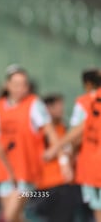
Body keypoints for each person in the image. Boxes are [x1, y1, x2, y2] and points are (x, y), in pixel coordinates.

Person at [0, 65, 71, 222]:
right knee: (16, 217)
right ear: (7, 85)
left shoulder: (34, 104)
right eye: (16, 84)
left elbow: (50, 132)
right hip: (4, 171)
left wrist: (63, 160)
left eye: (23, 85)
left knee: (9, 216)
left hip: (26, 171)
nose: (20, 89)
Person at [44, 69, 101, 221]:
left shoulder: (87, 102)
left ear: (87, 84)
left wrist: (61, 152)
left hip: (88, 170)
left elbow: (79, 132)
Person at [31, 94, 77, 222]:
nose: (61, 110)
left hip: (63, 184)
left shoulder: (64, 129)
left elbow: (70, 152)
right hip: (42, 188)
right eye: (57, 107)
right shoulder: (39, 132)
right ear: (47, 109)